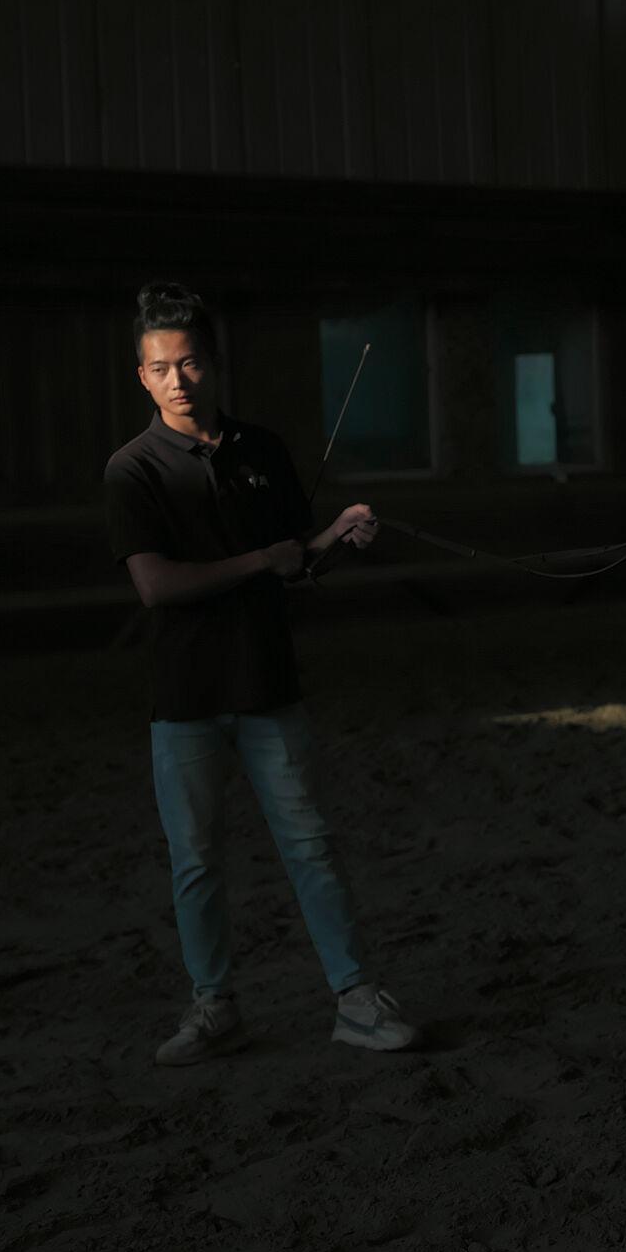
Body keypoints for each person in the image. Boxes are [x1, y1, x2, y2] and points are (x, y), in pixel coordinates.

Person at [103, 281, 420, 1065]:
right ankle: (214, 1008)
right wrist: (260, 561)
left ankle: (356, 1000)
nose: (177, 380)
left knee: (311, 845)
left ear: (213, 363)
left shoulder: (264, 451)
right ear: (141, 376)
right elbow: (155, 585)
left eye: (189, 363)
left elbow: (295, 565)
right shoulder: (132, 469)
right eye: (160, 368)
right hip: (185, 698)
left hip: (268, 685)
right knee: (196, 861)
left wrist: (336, 536)